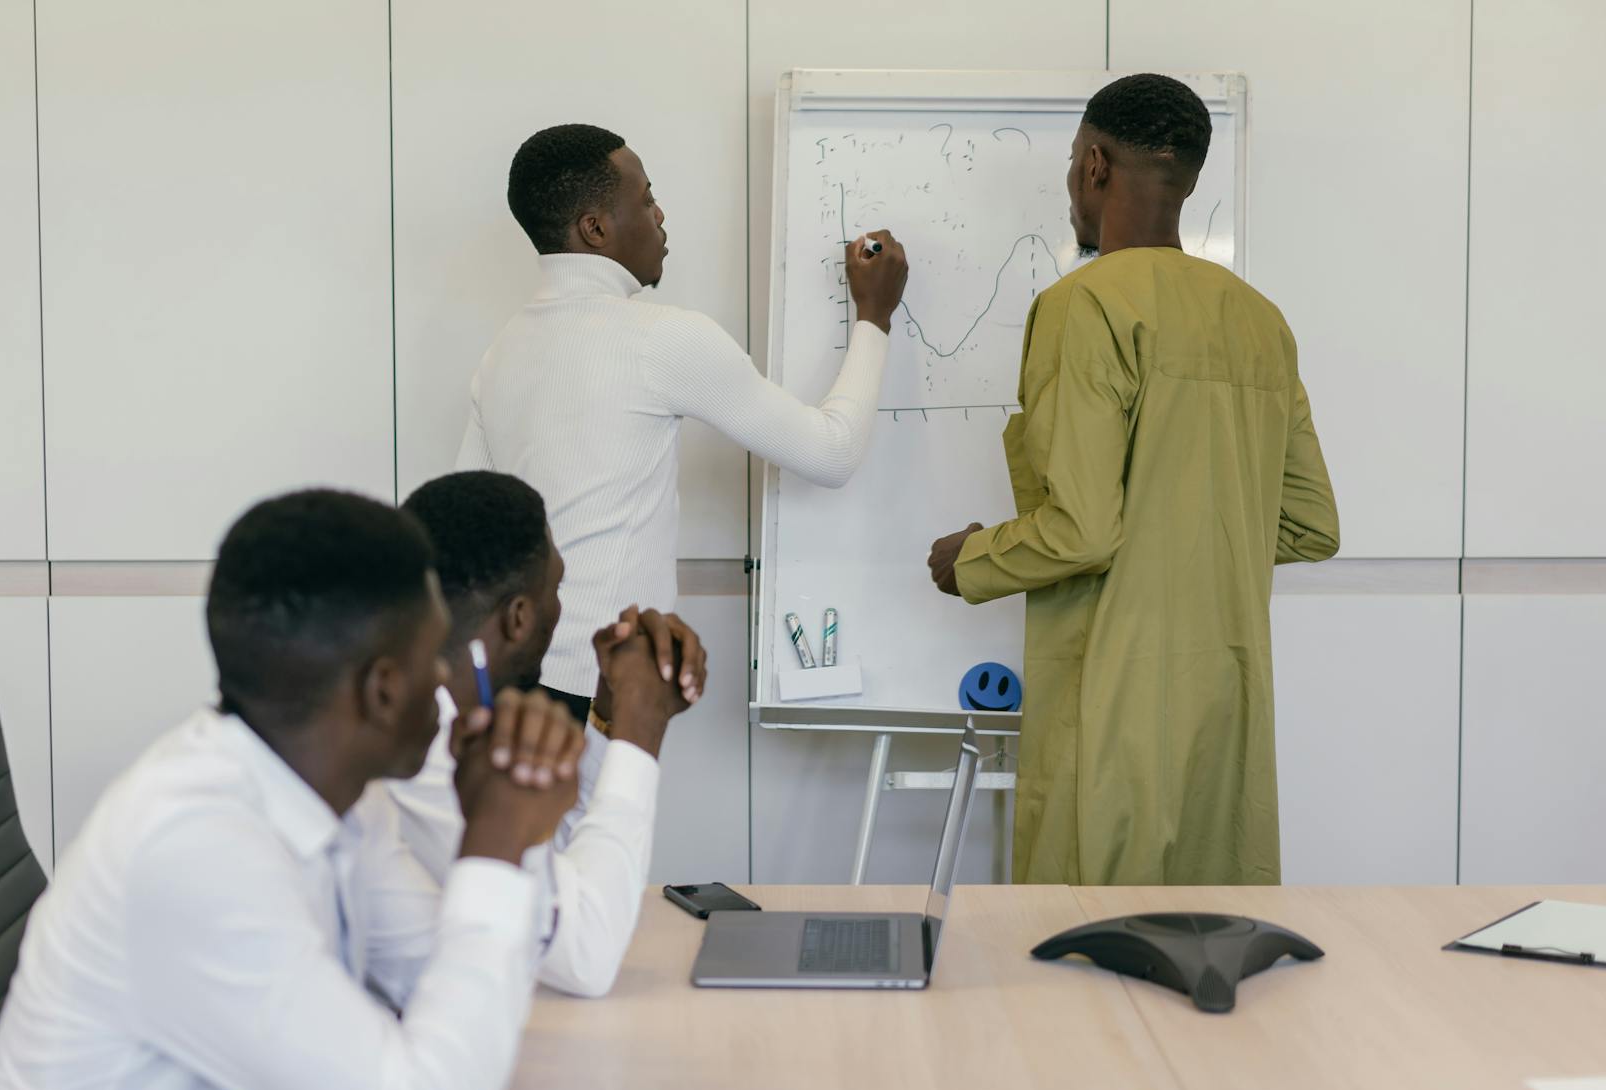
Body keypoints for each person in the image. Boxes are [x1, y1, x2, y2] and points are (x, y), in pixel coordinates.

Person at [0, 489, 591, 1090]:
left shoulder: (343, 800)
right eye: (433, 658)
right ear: (383, 691)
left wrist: (512, 822)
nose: (449, 678)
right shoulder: (196, 853)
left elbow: (448, 981)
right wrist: (498, 844)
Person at [925, 74, 1339, 887]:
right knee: (1207, 958)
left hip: (1112, 713)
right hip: (1226, 711)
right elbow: (1309, 527)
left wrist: (970, 559)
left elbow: (1082, 529)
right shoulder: (1261, 322)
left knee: (1086, 965)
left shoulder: (1085, 306)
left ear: (1094, 165)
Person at [459, 123, 910, 718]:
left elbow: (468, 535)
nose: (660, 213)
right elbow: (831, 453)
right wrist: (874, 317)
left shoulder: (502, 352)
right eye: (645, 198)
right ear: (595, 228)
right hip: (600, 690)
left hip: (511, 693)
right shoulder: (663, 338)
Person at [393, 470, 705, 998]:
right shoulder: (421, 762)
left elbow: (552, 881)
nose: (559, 609)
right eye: (555, 587)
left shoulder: (441, 724)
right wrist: (640, 728)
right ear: (518, 617)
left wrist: (607, 720)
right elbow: (585, 955)